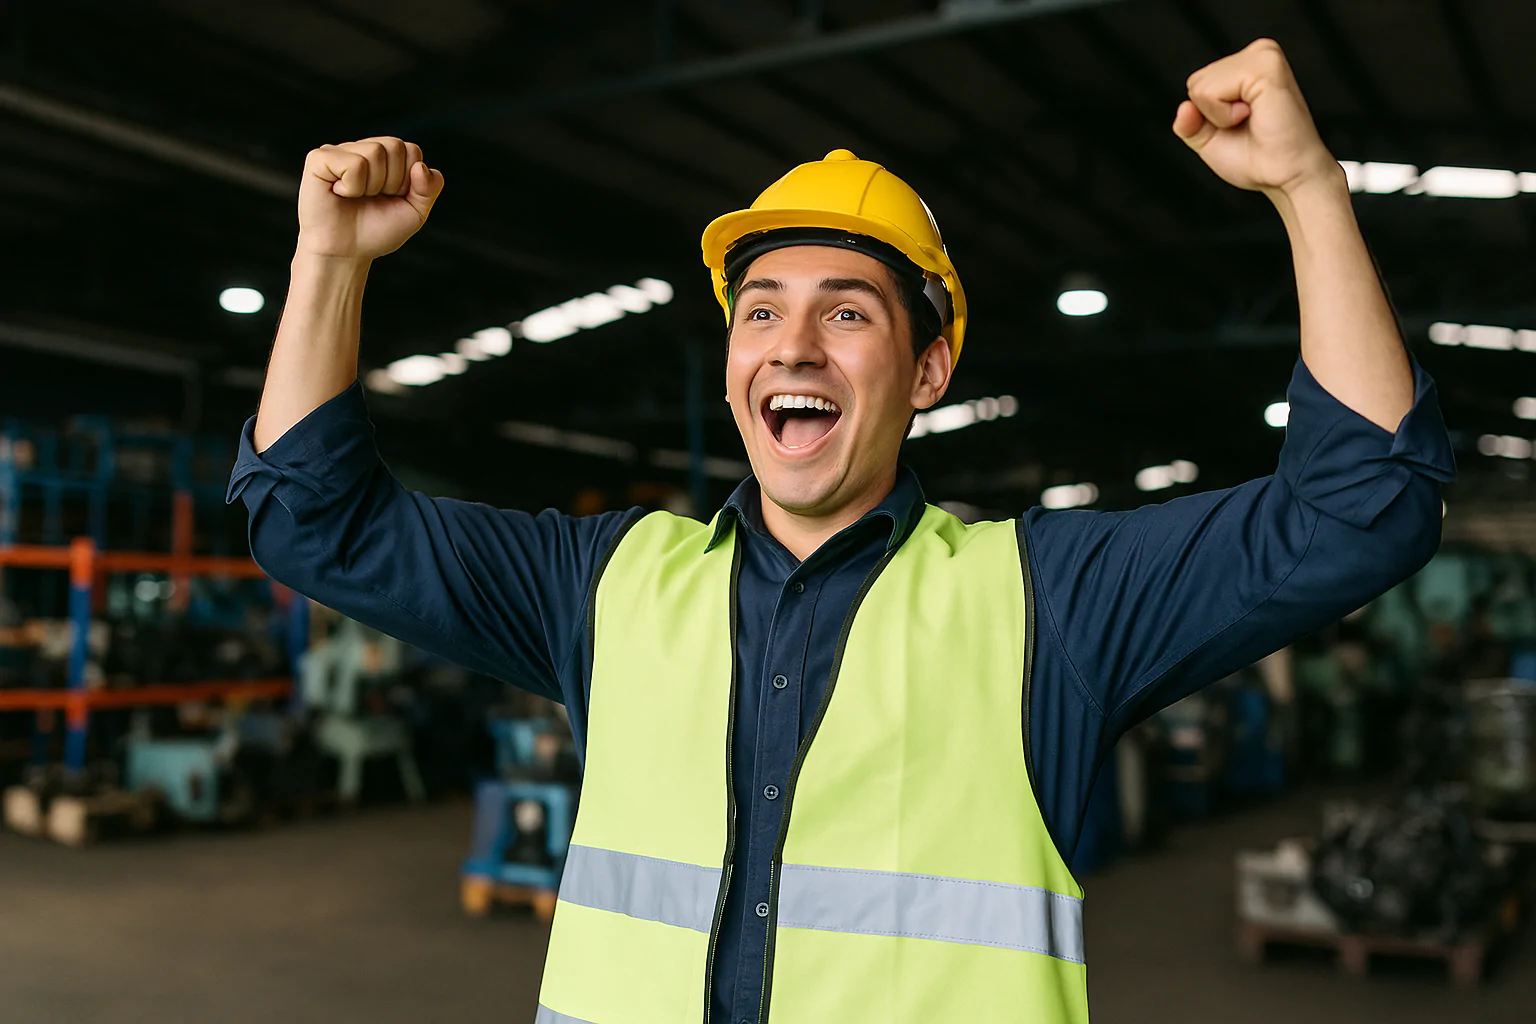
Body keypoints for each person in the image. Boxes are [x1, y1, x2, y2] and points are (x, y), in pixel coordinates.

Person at [230, 38, 1453, 1024]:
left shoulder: (1046, 601)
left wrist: (1306, 189)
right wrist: (328, 261)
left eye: (847, 312)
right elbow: (311, 520)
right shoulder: (601, 585)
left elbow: (1363, 509)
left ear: (929, 370)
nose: (793, 346)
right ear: (729, 367)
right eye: (759, 310)